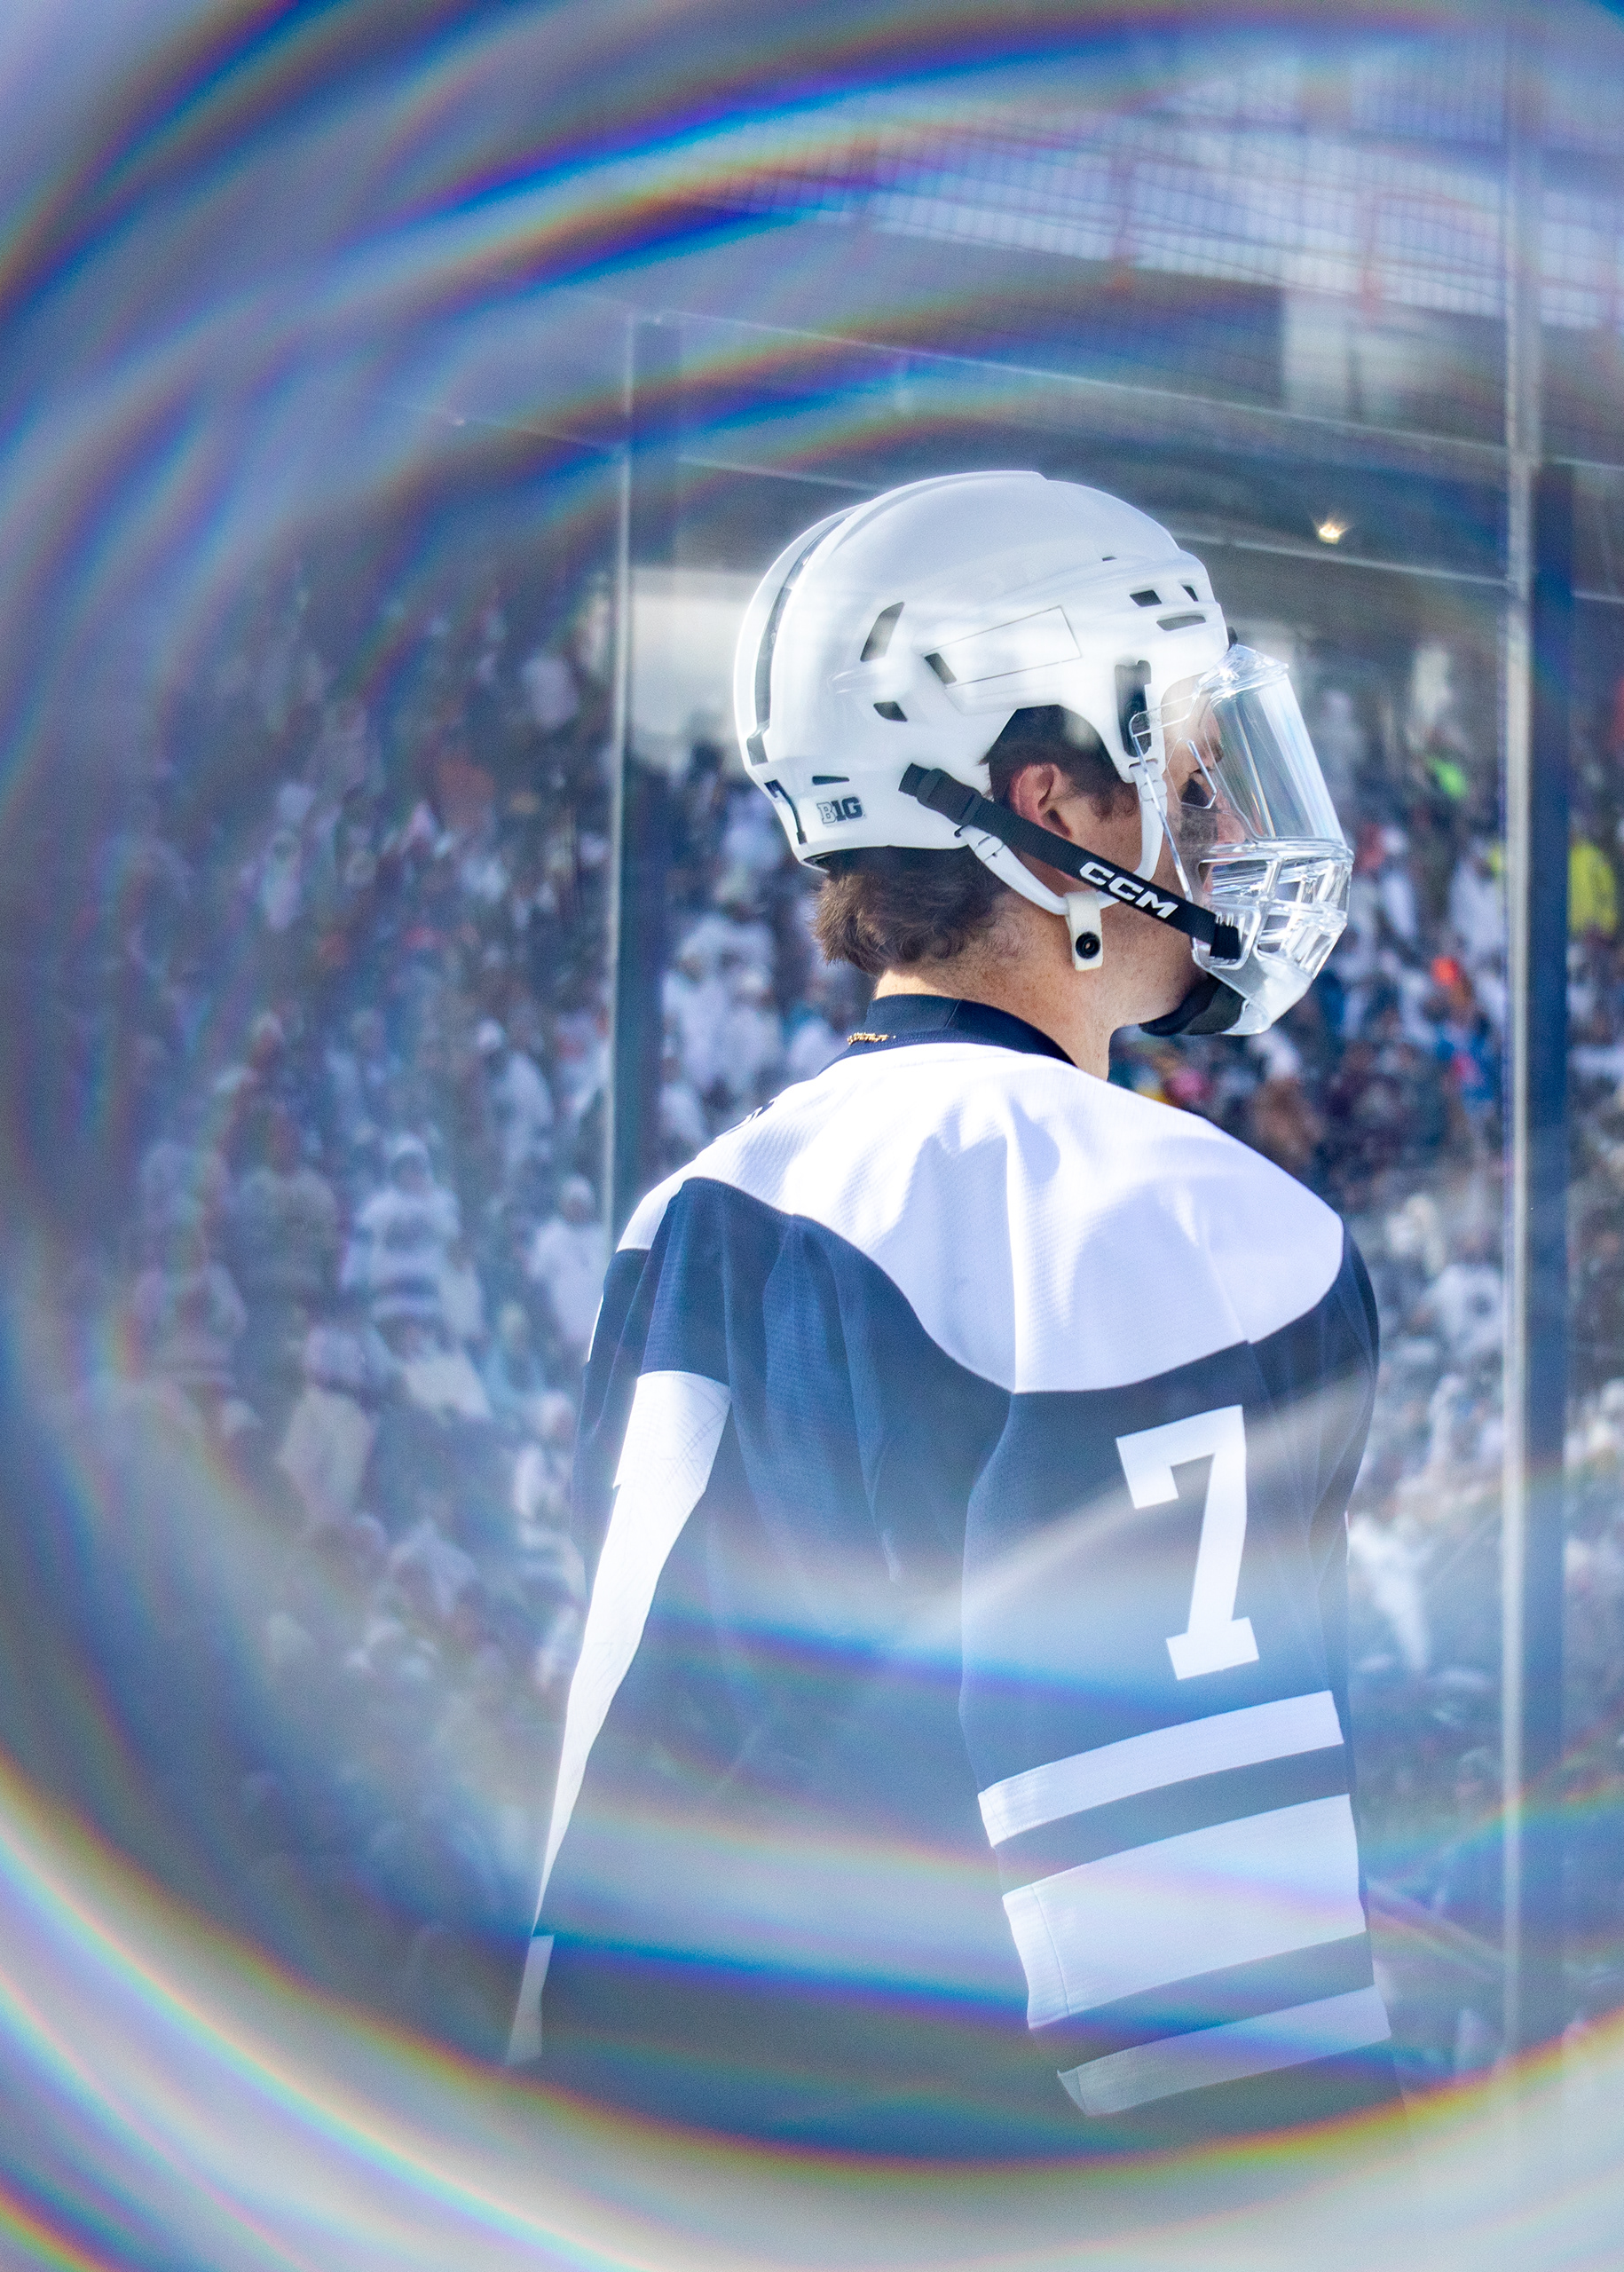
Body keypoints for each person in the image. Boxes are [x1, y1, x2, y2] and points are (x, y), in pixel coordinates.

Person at [508, 471, 1391, 2156]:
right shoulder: (1159, 1217)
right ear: (1045, 801)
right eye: (1176, 767)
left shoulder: (702, 1207)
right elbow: (1201, 2006)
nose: (1213, 814)